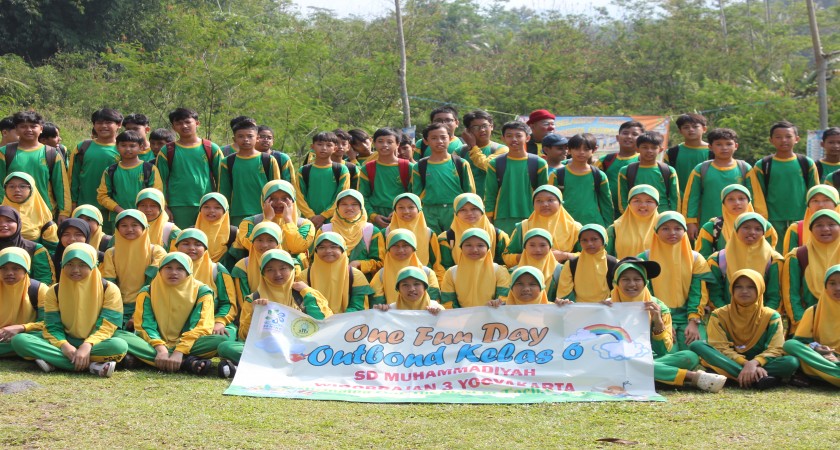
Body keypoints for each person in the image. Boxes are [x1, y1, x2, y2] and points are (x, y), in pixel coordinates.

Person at [602, 257, 727, 392]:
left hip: (651, 357)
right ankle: (690, 377)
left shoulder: (658, 307)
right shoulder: (608, 306)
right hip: (616, 357)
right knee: (617, 363)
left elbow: (663, 351)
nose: (631, 284)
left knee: (690, 357)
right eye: (625, 279)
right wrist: (600, 312)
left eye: (637, 279)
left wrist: (658, 321)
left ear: (645, 282)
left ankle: (638, 375)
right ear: (616, 282)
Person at [11, 243, 126, 377]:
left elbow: (108, 325)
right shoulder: (54, 291)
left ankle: (56, 361)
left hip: (97, 342)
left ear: (93, 265)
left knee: (119, 346)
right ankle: (91, 365)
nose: (75, 270)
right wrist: (64, 345)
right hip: (65, 339)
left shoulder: (109, 289)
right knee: (20, 341)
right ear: (62, 264)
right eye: (69, 264)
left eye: (82, 264)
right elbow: (52, 326)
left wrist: (88, 345)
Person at [217, 249, 332, 377]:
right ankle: (288, 366)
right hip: (268, 349)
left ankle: (258, 366)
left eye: (283, 268)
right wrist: (255, 315)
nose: (277, 274)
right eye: (270, 270)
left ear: (292, 269)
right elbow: (244, 337)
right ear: (263, 273)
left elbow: (323, 321)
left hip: (301, 347)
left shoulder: (304, 293)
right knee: (225, 347)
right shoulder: (254, 299)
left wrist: (307, 292)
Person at [116, 252, 227, 375]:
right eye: (168, 267)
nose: (173, 272)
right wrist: (161, 348)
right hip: (154, 343)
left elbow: (201, 326)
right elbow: (145, 325)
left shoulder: (202, 291)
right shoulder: (148, 291)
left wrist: (180, 351)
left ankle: (146, 360)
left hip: (189, 343)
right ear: (160, 270)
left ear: (188, 271)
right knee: (119, 335)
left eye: (180, 268)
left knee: (220, 341)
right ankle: (186, 363)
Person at [690, 269, 799, 389]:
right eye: (738, 287)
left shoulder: (771, 316)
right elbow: (719, 347)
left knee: (791, 362)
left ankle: (734, 375)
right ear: (732, 290)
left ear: (760, 289)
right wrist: (746, 364)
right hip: (730, 360)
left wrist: (755, 362)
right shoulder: (719, 315)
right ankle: (758, 377)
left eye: (751, 287)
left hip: (759, 361)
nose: (744, 291)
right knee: (697, 345)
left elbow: (776, 348)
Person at [637, 212, 713, 351]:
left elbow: (698, 293)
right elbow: (645, 293)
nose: (672, 233)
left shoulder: (696, 259)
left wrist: (694, 321)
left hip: (687, 316)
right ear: (656, 231)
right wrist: (662, 320)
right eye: (665, 228)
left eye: (678, 228)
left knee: (697, 348)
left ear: (684, 230)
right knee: (668, 351)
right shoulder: (644, 259)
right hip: (656, 316)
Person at [747, 121, 819, 250]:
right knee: (776, 254)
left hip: (802, 218)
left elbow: (815, 191)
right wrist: (762, 218)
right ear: (771, 140)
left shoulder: (806, 163)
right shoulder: (763, 165)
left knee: (802, 253)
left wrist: (815, 214)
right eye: (778, 137)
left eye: (788, 136)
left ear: (797, 139)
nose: (783, 140)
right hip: (773, 219)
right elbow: (757, 194)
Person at [155, 108, 224, 229]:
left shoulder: (211, 148)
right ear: (173, 127)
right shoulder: (167, 151)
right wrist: (163, 206)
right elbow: (159, 182)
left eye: (188, 122)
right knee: (180, 238)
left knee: (206, 238)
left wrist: (221, 204)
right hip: (177, 206)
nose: (184, 126)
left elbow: (222, 180)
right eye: (179, 123)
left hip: (208, 205)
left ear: (197, 123)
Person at [100, 209, 167, 330]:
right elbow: (110, 282)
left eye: (135, 225)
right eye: (124, 225)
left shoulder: (156, 252)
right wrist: (116, 305)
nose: (129, 229)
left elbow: (152, 282)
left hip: (149, 304)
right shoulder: (111, 253)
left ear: (144, 227)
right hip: (119, 304)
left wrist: (138, 309)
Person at [0, 111, 70, 221]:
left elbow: (61, 185)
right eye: (23, 126)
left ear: (41, 129)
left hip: (44, 213)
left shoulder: (51, 154)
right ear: (16, 129)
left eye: (33, 126)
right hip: (12, 214)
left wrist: (64, 212)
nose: (29, 130)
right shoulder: (5, 153)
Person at [682, 128, 750, 240]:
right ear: (710, 147)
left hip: (741, 222)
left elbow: (755, 196)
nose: (724, 148)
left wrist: (759, 217)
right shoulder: (701, 169)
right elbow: (691, 197)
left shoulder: (744, 168)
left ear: (736, 146)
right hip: (708, 223)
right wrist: (690, 222)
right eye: (719, 144)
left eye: (728, 144)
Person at [705, 213, 784, 310]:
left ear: (764, 233)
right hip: (727, 314)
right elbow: (715, 295)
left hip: (762, 315)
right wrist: (726, 315)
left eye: (758, 229)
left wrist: (765, 316)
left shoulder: (774, 260)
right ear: (736, 230)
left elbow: (775, 296)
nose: (752, 232)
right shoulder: (718, 259)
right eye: (746, 227)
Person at [485, 121, 548, 234]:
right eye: (509, 136)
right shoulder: (495, 163)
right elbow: (490, 193)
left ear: (527, 138)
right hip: (502, 217)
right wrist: (489, 218)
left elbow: (545, 193)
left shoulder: (539, 163)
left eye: (518, 136)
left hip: (532, 216)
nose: (514, 139)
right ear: (503, 139)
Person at [782, 209, 840, 333]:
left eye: (831, 224)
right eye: (819, 225)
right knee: (793, 344)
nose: (825, 229)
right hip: (808, 325)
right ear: (810, 230)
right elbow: (791, 295)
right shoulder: (798, 256)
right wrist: (804, 323)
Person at [783, 263, 840, 387]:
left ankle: (831, 375)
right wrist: (817, 349)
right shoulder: (813, 311)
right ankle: (835, 374)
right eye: (832, 283)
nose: (838, 288)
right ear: (825, 286)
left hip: (822, 365)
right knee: (790, 344)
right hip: (819, 358)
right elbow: (800, 343)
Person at [233, 180, 314, 268]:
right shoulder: (249, 222)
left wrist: (289, 221)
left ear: (293, 200)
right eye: (272, 198)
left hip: (294, 272)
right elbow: (252, 246)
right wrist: (267, 220)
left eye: (284, 198)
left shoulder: (304, 224)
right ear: (263, 200)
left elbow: (296, 247)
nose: (279, 202)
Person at [174, 229, 237, 340]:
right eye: (186, 244)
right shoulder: (167, 269)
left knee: (221, 338)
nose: (192, 248)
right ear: (177, 247)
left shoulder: (216, 270)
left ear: (205, 248)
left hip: (211, 323)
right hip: (175, 324)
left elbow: (228, 303)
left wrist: (220, 322)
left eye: (198, 244)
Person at [412, 122, 475, 234]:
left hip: (456, 210)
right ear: (426, 141)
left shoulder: (460, 163)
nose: (439, 141)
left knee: (455, 242)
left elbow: (470, 192)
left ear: (450, 139)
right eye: (434, 138)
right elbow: (416, 194)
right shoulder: (420, 166)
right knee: (432, 242)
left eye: (443, 137)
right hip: (429, 212)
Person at [69, 108, 122, 233]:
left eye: (108, 122)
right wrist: (72, 203)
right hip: (85, 207)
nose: (103, 126)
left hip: (114, 209)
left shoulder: (124, 148)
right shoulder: (82, 147)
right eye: (99, 123)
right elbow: (72, 177)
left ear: (119, 125)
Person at [220, 118, 282, 225]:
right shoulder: (227, 162)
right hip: (237, 213)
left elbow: (276, 188)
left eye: (250, 136)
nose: (245, 140)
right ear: (234, 139)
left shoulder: (268, 160)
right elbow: (224, 191)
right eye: (240, 136)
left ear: (257, 138)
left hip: (265, 213)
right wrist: (224, 212)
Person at [503, 184, 579, 269]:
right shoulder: (523, 227)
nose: (544, 204)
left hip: (563, 275)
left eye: (550, 200)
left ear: (560, 202)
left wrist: (565, 255)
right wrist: (527, 257)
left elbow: (587, 255)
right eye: (539, 201)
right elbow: (507, 256)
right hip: (529, 274)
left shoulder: (574, 228)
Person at [97, 130, 163, 227]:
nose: (128, 149)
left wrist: (144, 210)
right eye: (123, 145)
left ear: (140, 147)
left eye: (132, 146)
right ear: (117, 147)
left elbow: (157, 193)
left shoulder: (149, 169)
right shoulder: (111, 171)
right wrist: (119, 210)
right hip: (119, 218)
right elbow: (102, 196)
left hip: (145, 218)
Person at [547, 133, 613, 227]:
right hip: (565, 225)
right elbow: (550, 201)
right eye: (577, 148)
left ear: (594, 150)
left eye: (586, 149)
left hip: (593, 225)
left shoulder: (599, 175)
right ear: (569, 150)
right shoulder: (557, 175)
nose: (581, 152)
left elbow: (606, 204)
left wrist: (608, 227)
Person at [695, 184, 778, 258]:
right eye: (730, 199)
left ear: (748, 201)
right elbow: (703, 259)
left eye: (741, 198)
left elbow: (771, 257)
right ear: (723, 203)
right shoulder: (712, 227)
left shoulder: (764, 226)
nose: (737, 203)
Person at [298, 232, 372, 313]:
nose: (328, 251)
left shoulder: (356, 275)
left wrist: (336, 319)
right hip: (315, 318)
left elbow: (359, 307)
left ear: (342, 249)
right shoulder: (304, 275)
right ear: (316, 251)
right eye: (322, 247)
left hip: (347, 320)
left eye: (333, 247)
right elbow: (301, 304)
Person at [437, 193, 508, 278]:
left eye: (474, 209)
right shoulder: (447, 238)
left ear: (482, 210)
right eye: (463, 210)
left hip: (492, 281)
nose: (469, 213)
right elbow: (444, 267)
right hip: (459, 282)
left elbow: (505, 264)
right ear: (456, 212)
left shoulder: (498, 235)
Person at [317, 189, 381, 277]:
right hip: (329, 279)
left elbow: (380, 262)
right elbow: (314, 259)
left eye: (354, 204)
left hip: (362, 282)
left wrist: (360, 264)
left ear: (361, 207)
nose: (349, 208)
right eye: (344, 204)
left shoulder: (371, 231)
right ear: (337, 207)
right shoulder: (325, 230)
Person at [440, 228, 510, 308]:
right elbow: (448, 303)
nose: (474, 250)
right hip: (462, 316)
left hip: (492, 315)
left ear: (488, 248)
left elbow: (504, 298)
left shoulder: (499, 271)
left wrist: (496, 303)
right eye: (468, 245)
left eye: (480, 245)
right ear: (461, 247)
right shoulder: (451, 273)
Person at [359, 127, 414, 228]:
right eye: (380, 141)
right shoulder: (367, 168)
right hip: (375, 215)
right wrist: (373, 216)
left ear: (397, 144)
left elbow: (414, 194)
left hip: (403, 214)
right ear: (374, 143)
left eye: (389, 142)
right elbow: (362, 196)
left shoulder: (408, 167)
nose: (385, 145)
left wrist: (399, 211)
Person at [370, 229, 440, 306]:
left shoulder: (427, 273)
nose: (400, 250)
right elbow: (377, 302)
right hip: (392, 313)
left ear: (413, 248)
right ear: (388, 248)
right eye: (395, 245)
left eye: (405, 245)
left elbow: (434, 299)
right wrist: (383, 308)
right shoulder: (381, 275)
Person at [295, 132, 350, 229]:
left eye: (328, 145)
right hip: (308, 221)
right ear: (312, 147)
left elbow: (342, 196)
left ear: (335, 148)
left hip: (333, 221)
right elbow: (299, 196)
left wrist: (323, 216)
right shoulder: (303, 171)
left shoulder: (341, 170)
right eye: (319, 144)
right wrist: (311, 216)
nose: (324, 148)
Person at [0, 247, 47, 357]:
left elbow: (47, 323)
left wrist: (22, 327)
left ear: (26, 269)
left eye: (16, 268)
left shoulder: (39, 289)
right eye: (3, 268)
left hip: (28, 334)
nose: (9, 273)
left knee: (21, 340)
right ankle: (26, 351)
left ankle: (20, 348)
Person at [553, 224, 617, 303]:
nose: (589, 243)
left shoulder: (614, 263)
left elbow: (619, 291)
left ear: (604, 240)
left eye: (594, 239)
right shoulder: (571, 264)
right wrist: (567, 302)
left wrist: (613, 300)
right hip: (578, 308)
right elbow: (564, 293)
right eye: (584, 240)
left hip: (607, 307)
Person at [618, 131, 680, 213]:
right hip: (637, 214)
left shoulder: (668, 171)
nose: (649, 151)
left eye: (654, 148)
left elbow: (675, 198)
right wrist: (629, 215)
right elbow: (622, 199)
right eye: (645, 147)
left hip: (662, 215)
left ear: (660, 150)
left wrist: (672, 216)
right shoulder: (626, 171)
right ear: (637, 149)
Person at [595, 120, 644, 219]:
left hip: (637, 214)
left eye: (634, 134)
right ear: (617, 137)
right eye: (625, 133)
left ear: (641, 139)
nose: (629, 136)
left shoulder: (644, 161)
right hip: (607, 214)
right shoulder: (604, 161)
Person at [231, 222, 283, 308]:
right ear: (252, 241)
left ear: (279, 242)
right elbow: (244, 304)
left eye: (270, 240)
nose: (265, 245)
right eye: (259, 240)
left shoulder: (293, 266)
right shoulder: (242, 267)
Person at [384, 193, 442, 270]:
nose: (406, 211)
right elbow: (382, 259)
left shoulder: (429, 233)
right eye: (401, 207)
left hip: (422, 274)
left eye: (411, 207)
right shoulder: (386, 232)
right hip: (393, 273)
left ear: (419, 209)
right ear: (395, 210)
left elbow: (436, 262)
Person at [2, 172, 58, 252]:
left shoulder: (44, 217)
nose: (17, 190)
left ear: (31, 189)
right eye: (11, 186)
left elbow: (51, 251)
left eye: (22, 186)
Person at [458, 110, 508, 199]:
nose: (482, 130)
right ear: (468, 131)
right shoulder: (460, 151)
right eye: (476, 127)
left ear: (491, 127)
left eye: (485, 126)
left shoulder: (501, 150)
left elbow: (488, 166)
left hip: (491, 201)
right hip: (467, 201)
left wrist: (473, 147)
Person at [0, 206, 54, 284]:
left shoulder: (35, 249)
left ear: (18, 223)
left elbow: (45, 279)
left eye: (9, 221)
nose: (3, 225)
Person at [781, 185, 840, 255]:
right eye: (815, 201)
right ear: (808, 205)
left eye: (826, 200)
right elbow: (789, 259)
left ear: (836, 204)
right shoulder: (796, 229)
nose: (820, 205)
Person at [663, 113, 710, 197]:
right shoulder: (672, 153)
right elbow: (666, 178)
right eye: (686, 127)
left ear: (704, 129)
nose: (691, 130)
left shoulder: (714, 152)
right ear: (680, 131)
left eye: (695, 126)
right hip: (679, 200)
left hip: (706, 199)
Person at [607, 185, 659, 258]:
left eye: (649, 201)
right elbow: (606, 258)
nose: (643, 205)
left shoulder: (664, 228)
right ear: (629, 203)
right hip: (623, 265)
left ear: (657, 204)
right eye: (637, 201)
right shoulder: (614, 229)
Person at [373, 266, 444, 313]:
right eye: (405, 285)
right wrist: (379, 313)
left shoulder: (436, 308)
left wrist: (439, 314)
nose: (412, 289)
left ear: (424, 287)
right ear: (398, 289)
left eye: (416, 284)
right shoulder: (391, 310)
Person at [193, 193, 236, 266]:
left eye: (217, 207)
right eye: (206, 207)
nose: (211, 211)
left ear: (225, 211)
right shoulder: (191, 231)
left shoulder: (233, 233)